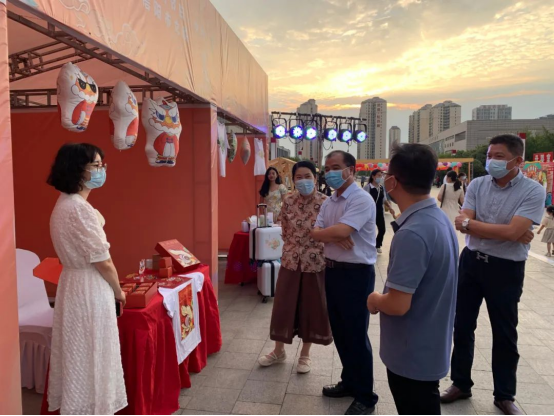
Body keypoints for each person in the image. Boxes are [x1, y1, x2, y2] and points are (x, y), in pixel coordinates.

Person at [442, 134, 546, 416]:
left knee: (505, 332)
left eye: (499, 156)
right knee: (462, 326)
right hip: (471, 263)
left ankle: (504, 395)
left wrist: (477, 225)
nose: (491, 161)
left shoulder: (533, 191)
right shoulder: (477, 184)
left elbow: (510, 232)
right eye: (489, 156)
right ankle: (460, 383)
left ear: (517, 160)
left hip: (506, 269)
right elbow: (462, 222)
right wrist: (508, 231)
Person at [367, 143, 459, 416]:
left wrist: (375, 299)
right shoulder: (437, 219)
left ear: (392, 181)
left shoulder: (413, 233)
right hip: (429, 344)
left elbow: (397, 304)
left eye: (387, 174)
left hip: (412, 353)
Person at [47, 143, 127, 415]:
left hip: (73, 284)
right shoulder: (78, 209)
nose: (101, 170)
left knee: (78, 351)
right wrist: (118, 291)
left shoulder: (65, 204)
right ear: (77, 170)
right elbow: (103, 260)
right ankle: (93, 407)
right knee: (93, 350)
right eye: (95, 165)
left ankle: (81, 404)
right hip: (89, 287)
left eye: (102, 165)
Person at [311, 150, 379, 416]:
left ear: (351, 169)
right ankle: (349, 381)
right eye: (327, 168)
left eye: (336, 167)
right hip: (333, 271)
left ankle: (365, 396)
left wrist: (334, 233)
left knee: (356, 334)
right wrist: (333, 234)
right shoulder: (330, 201)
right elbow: (314, 231)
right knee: (340, 331)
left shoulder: (361, 199)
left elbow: (340, 231)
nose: (330, 173)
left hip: (356, 274)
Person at [258, 161, 333, 373]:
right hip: (291, 261)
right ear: (293, 180)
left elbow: (330, 232)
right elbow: (285, 230)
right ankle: (278, 351)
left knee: (311, 306)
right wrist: (292, 249)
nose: (303, 181)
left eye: (307, 176)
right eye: (299, 177)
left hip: (315, 262)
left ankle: (305, 355)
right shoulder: (288, 201)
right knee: (283, 305)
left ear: (315, 179)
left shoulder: (326, 203)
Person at [363, 169, 397, 253]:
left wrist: (390, 207)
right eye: (378, 175)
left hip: (379, 212)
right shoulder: (367, 188)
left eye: (381, 176)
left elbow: (384, 199)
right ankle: (368, 246)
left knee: (382, 229)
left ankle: (377, 245)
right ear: (373, 176)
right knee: (369, 231)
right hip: (369, 213)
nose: (380, 177)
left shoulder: (381, 188)